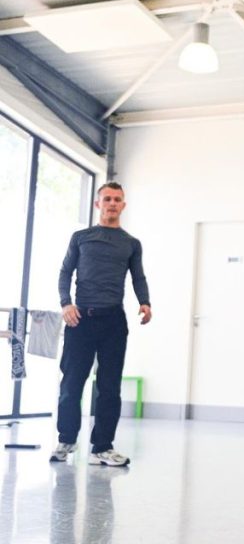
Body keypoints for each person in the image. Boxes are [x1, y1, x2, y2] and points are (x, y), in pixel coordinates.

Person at [49, 181, 151, 467]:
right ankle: (66, 440)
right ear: (98, 204)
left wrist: (145, 302)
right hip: (80, 319)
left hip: (113, 322)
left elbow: (138, 277)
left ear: (123, 205)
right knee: (71, 383)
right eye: (107, 199)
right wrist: (65, 303)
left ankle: (102, 448)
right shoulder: (81, 237)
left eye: (117, 199)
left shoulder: (131, 243)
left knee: (109, 387)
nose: (112, 204)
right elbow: (65, 272)